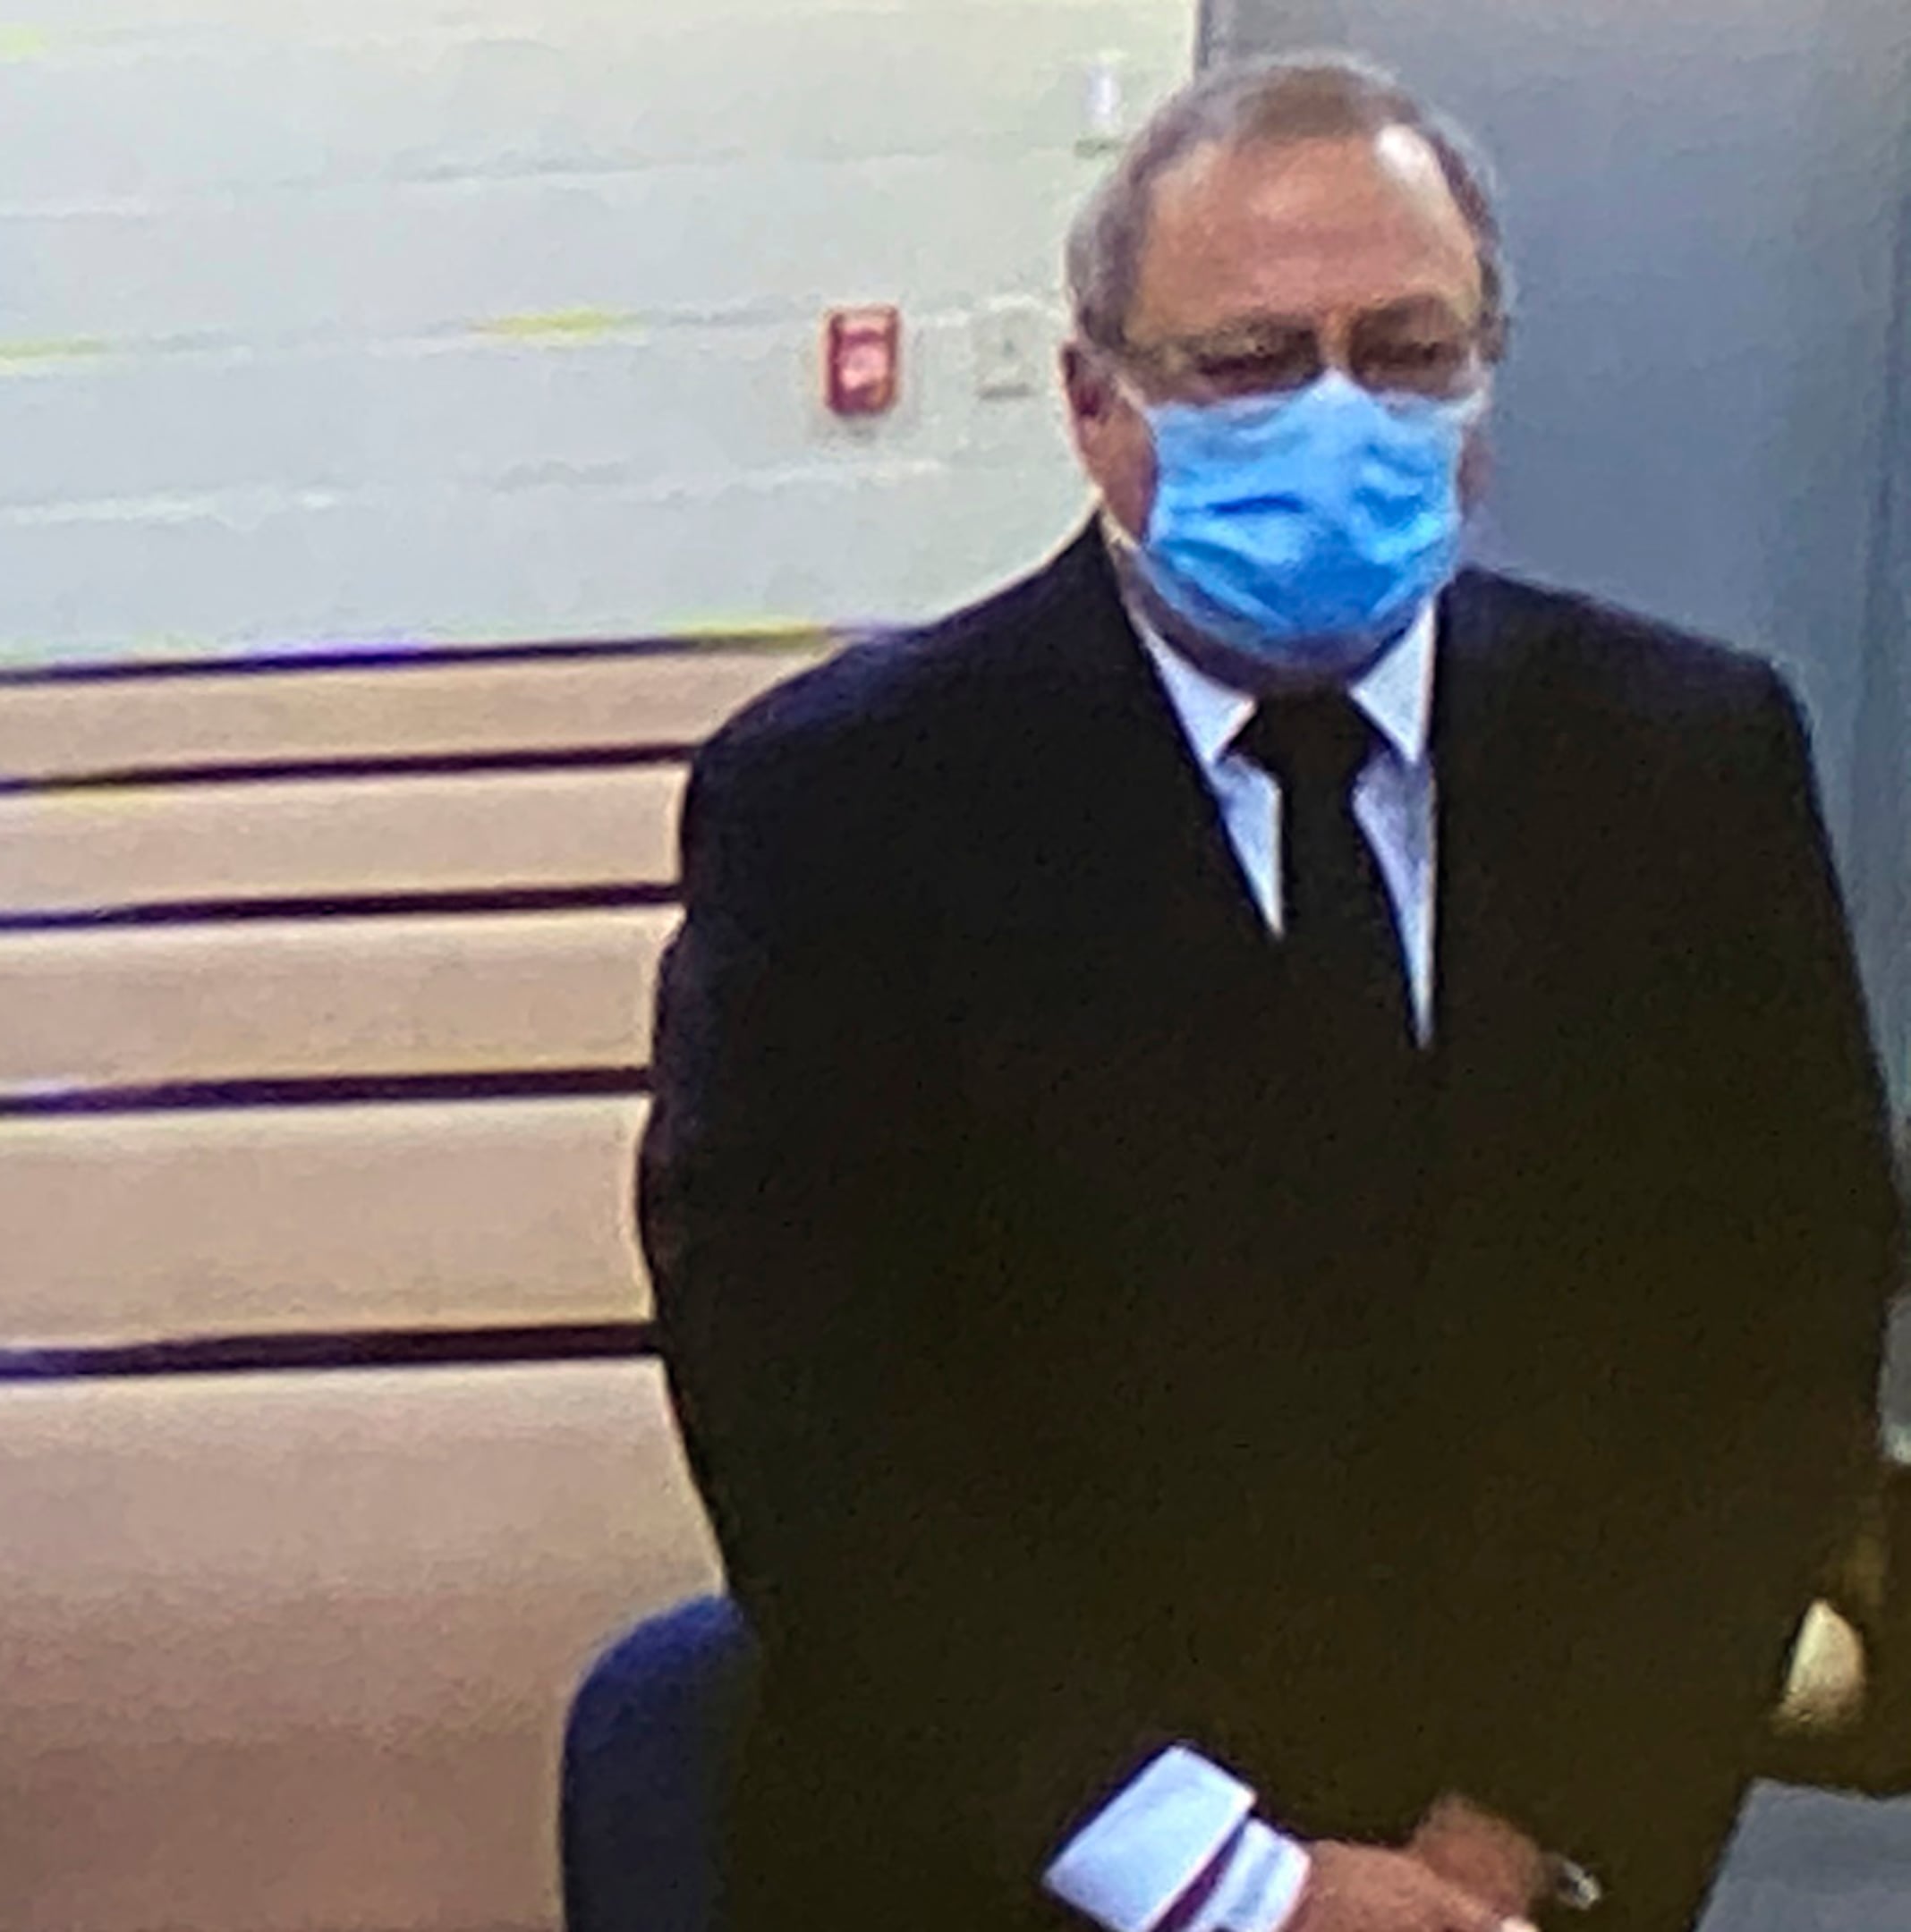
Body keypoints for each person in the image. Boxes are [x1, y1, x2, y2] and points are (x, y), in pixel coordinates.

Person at [640, 53, 1901, 1932]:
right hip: (1024, 1873)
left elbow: (1773, 1352)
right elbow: (819, 1428)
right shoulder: (844, 808)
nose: (1339, 418)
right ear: (1094, 402)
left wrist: (1529, 1831)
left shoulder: (1688, 763)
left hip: (1542, 1871)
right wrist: (1228, 1885)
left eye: (1404, 351)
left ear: (1484, 378)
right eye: (1247, 363)